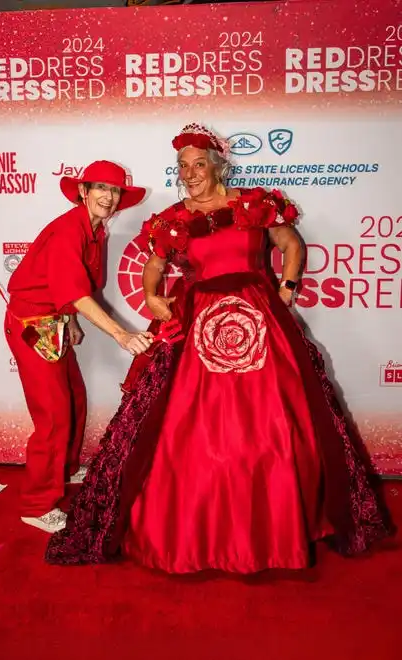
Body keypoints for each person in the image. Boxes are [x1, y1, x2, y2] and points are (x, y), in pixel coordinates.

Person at [46, 126, 392, 572]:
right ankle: (192, 530)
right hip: (198, 323)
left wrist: (284, 290)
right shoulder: (174, 218)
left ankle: (280, 525)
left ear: (219, 166)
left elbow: (290, 244)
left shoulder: (254, 204)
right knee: (183, 427)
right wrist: (154, 298)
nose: (191, 174)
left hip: (263, 320)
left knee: (283, 420)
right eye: (183, 167)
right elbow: (153, 272)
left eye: (199, 164)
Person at [5, 160, 153, 533]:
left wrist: (69, 321)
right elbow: (75, 292)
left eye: (115, 190)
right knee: (53, 416)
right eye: (100, 188)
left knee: (73, 397)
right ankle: (37, 504)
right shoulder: (69, 231)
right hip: (31, 325)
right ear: (83, 192)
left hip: (52, 322)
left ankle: (66, 469)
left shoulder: (96, 229)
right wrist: (121, 334)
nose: (108, 196)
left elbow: (67, 290)